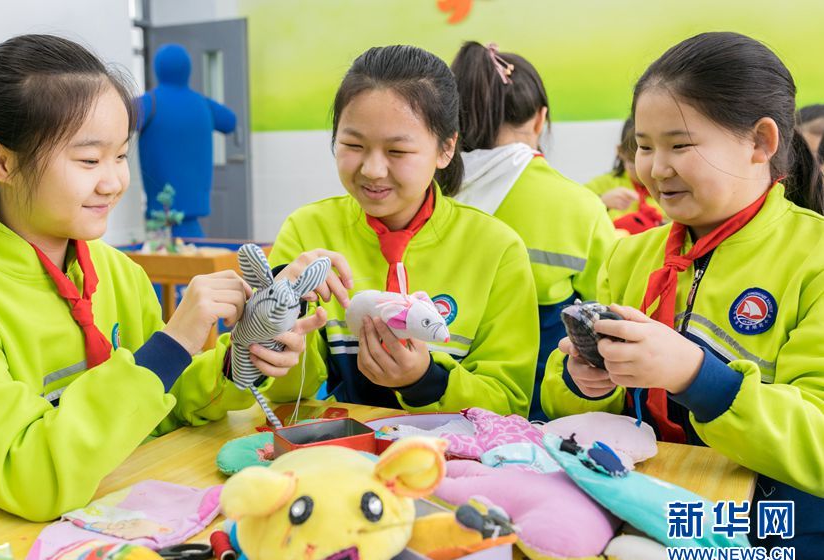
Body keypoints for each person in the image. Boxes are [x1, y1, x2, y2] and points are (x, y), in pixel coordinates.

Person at [0, 34, 320, 543]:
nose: (113, 182)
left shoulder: (116, 270)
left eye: (120, 155)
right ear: (2, 161)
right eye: (88, 160)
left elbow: (166, 398)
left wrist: (240, 359)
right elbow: (31, 475)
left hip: (110, 519)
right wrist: (172, 343)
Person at [542, 32, 823, 560]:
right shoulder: (630, 255)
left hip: (778, 544)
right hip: (643, 521)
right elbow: (573, 412)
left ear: (760, 141)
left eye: (680, 145)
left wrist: (698, 376)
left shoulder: (812, 259)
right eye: (645, 146)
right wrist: (582, 381)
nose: (656, 168)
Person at [264, 45, 539, 415]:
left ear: (446, 149)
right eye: (353, 145)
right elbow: (282, 394)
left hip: (448, 451)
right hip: (338, 446)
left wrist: (426, 381)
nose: (373, 170)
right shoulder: (306, 231)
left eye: (397, 152)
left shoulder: (497, 249)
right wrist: (282, 309)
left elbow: (509, 403)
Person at [450, 41, 615, 420]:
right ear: (540, 120)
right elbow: (609, 308)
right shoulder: (579, 205)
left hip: (429, 403)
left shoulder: (423, 193)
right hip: (540, 412)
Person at [137, 44, 236, 238]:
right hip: (192, 215)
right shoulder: (203, 103)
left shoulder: (150, 103)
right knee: (193, 250)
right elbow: (230, 121)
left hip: (162, 215)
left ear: (158, 69)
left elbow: (117, 117)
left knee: (164, 253)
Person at [586, 117, 665, 234]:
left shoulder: (671, 187)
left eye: (650, 162)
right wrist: (601, 202)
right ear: (621, 152)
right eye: (633, 162)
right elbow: (573, 212)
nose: (641, 170)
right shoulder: (602, 184)